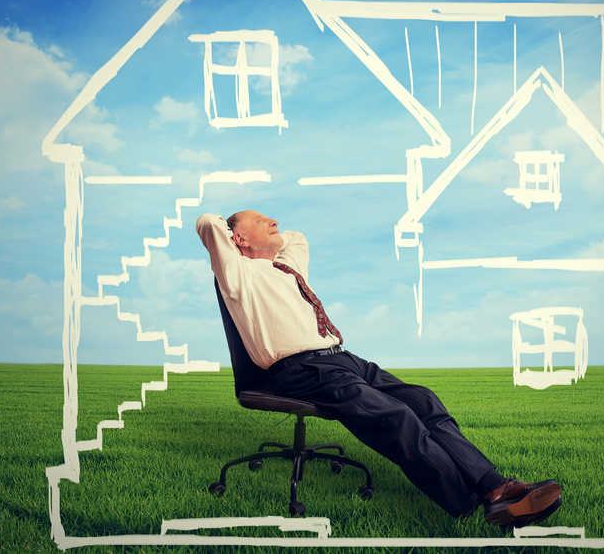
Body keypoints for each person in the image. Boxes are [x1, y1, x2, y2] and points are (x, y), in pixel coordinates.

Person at [196, 210, 563, 527]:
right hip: (301, 369)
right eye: (262, 221)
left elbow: (297, 237)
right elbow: (206, 222)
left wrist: (264, 233)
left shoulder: (287, 267)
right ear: (237, 237)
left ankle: (496, 485)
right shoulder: (236, 273)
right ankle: (473, 504)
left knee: (423, 401)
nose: (275, 222)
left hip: (345, 359)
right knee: (396, 417)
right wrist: (233, 235)